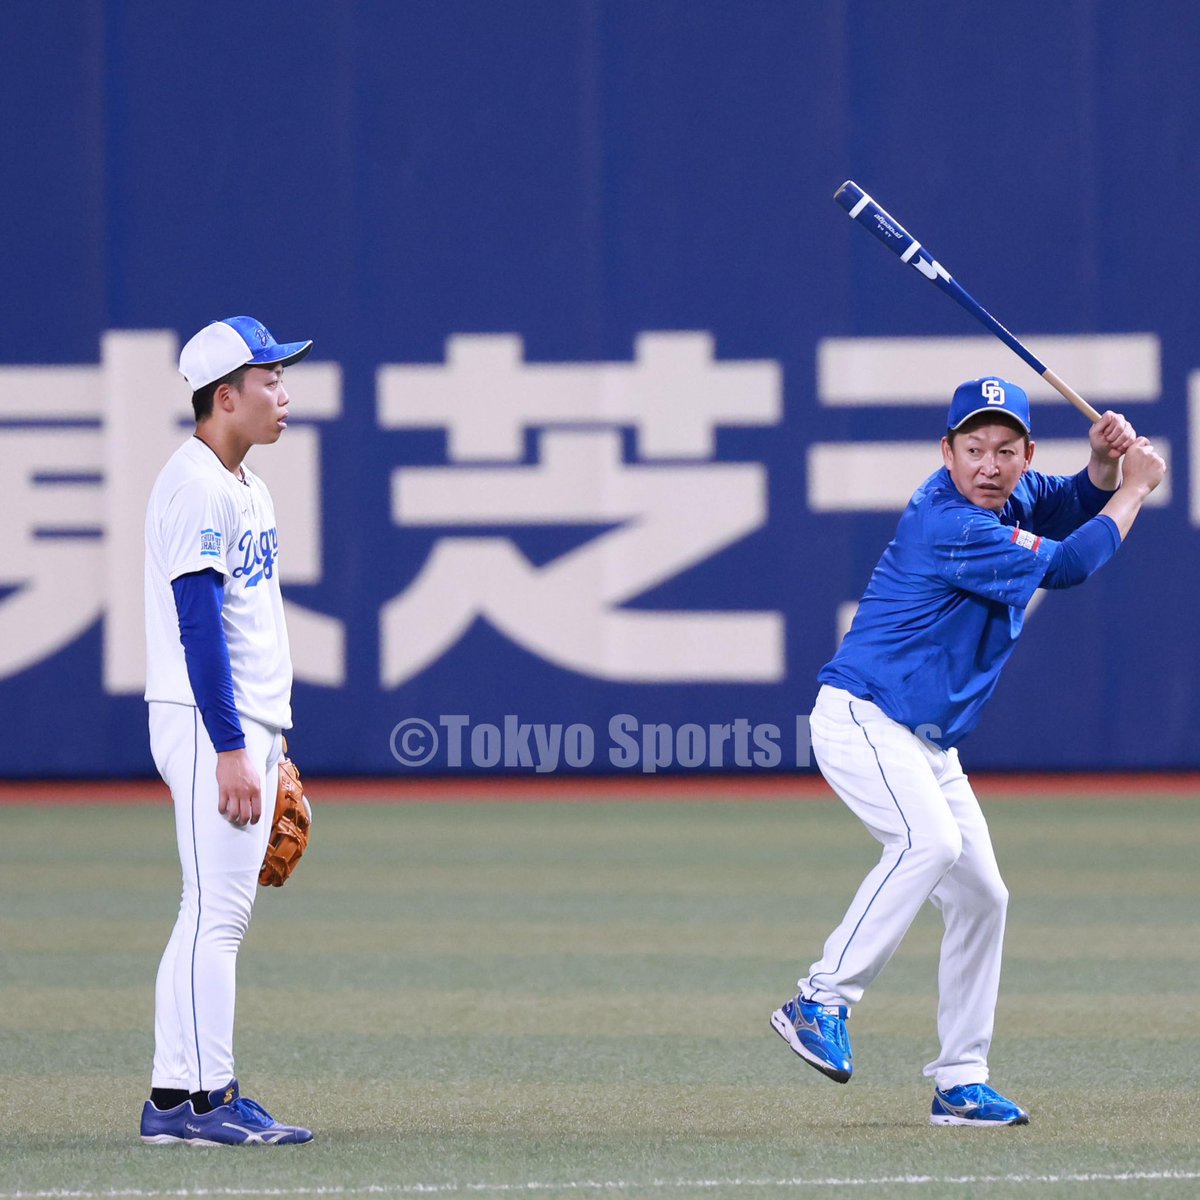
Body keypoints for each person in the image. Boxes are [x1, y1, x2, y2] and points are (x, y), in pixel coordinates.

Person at [771, 377, 1165, 1127]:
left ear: (1025, 455)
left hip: (928, 743)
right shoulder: (949, 520)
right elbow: (1070, 564)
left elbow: (1077, 499)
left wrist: (1107, 467)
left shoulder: (1011, 496)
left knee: (985, 895)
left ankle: (960, 1080)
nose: (989, 463)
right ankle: (818, 999)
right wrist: (1138, 490)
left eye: (1004, 450)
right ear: (945, 452)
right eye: (973, 448)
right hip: (864, 716)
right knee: (930, 842)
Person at [139, 316, 315, 1146]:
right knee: (221, 917)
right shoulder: (198, 485)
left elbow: (247, 628)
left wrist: (267, 737)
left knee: (201, 908)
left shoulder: (243, 482)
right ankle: (215, 1100)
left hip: (241, 721)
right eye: (270, 379)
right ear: (225, 396)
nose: (284, 393)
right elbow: (198, 626)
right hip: (212, 722)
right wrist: (235, 747)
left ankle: (173, 1097)